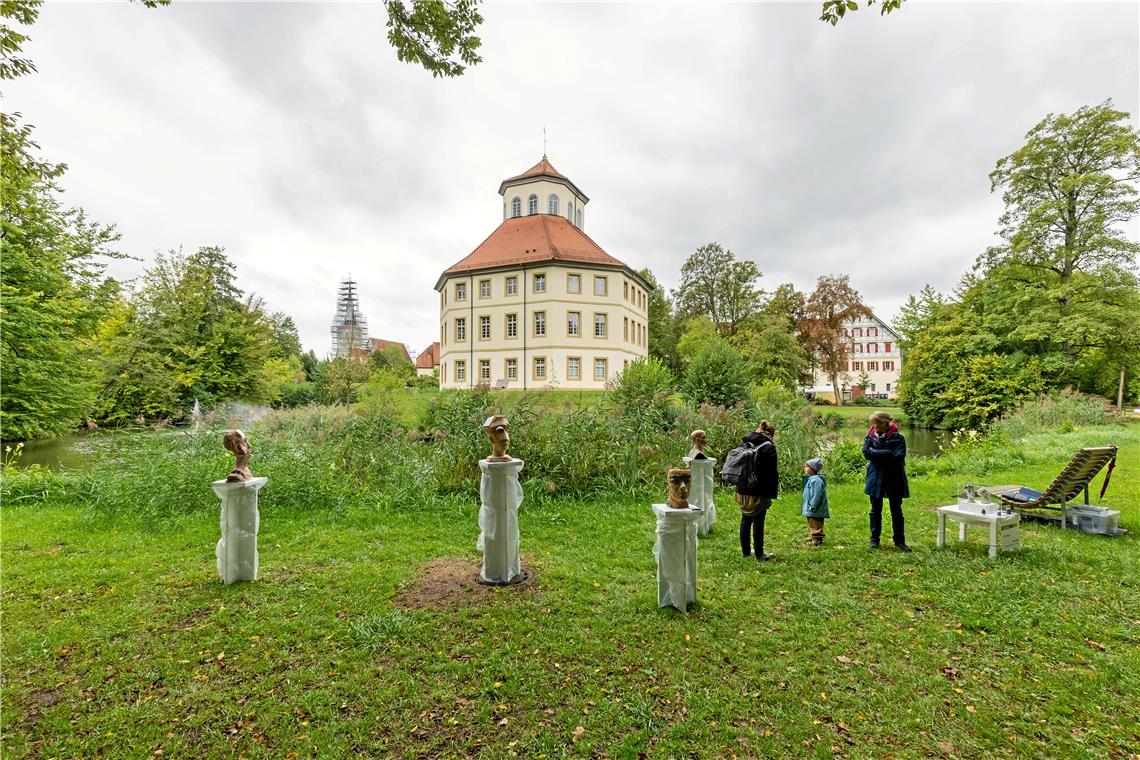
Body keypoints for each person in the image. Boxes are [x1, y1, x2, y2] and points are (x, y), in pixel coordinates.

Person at [863, 411, 911, 551]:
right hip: (875, 477)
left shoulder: (899, 438)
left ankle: (900, 541)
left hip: (894, 477)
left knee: (896, 510)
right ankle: (874, 540)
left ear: (885, 423)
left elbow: (899, 457)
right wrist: (888, 452)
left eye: (876, 423)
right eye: (872, 423)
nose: (873, 426)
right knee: (875, 510)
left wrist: (876, 454)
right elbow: (866, 453)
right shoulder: (870, 436)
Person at [735, 420, 778, 561]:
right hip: (758, 490)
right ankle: (759, 554)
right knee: (759, 522)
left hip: (741, 488)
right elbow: (771, 474)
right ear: (771, 434)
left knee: (745, 519)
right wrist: (770, 495)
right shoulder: (768, 447)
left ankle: (746, 552)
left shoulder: (745, 442)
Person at [801, 458, 829, 546]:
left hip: (815, 507)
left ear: (813, 469)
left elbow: (817, 495)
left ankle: (817, 539)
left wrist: (813, 505)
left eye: (807, 467)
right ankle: (813, 535)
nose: (805, 468)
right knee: (812, 522)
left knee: (816, 522)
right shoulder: (811, 479)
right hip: (810, 507)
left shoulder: (816, 481)